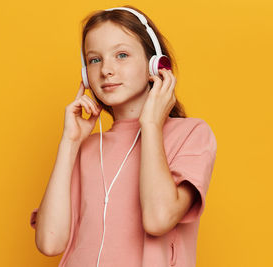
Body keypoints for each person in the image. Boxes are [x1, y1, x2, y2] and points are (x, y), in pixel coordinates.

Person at [29, 5, 217, 267]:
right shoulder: (87, 147)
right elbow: (50, 242)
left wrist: (151, 124)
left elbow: (158, 219)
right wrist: (69, 143)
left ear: (155, 63)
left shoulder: (192, 135)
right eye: (95, 59)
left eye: (122, 55)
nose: (106, 69)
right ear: (86, 74)